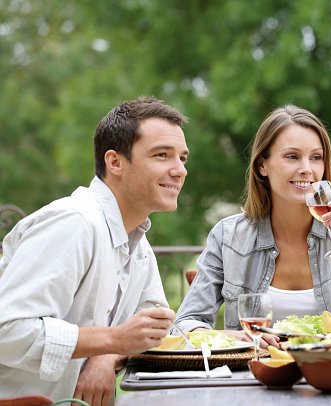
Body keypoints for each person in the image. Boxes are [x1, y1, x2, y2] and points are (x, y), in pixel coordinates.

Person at [0, 96, 189, 404]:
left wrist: (107, 355)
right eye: (162, 155)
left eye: (182, 158)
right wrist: (112, 339)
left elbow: (153, 331)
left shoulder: (138, 244)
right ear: (115, 162)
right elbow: (6, 330)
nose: (179, 170)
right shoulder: (74, 223)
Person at [175, 104, 331, 348]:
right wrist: (238, 338)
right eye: (292, 156)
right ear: (262, 165)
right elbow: (186, 323)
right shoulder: (228, 236)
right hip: (256, 370)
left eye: (316, 157)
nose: (307, 169)